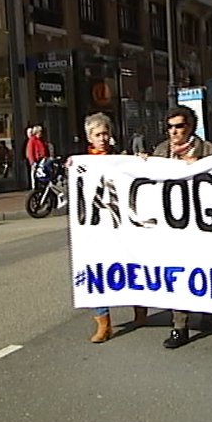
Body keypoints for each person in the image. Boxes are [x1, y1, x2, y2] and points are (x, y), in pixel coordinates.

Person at [78, 112, 149, 342]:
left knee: (131, 265)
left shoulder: (121, 159)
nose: (102, 138)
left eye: (105, 133)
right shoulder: (82, 163)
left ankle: (140, 310)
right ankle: (103, 323)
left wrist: (141, 161)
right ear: (89, 137)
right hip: (97, 227)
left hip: (121, 224)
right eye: (98, 134)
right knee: (97, 271)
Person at [150, 106, 212, 349]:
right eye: (170, 127)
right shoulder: (160, 152)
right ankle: (180, 327)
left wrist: (197, 165)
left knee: (205, 269)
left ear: (190, 126)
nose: (175, 131)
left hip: (201, 224)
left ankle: (209, 307)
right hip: (171, 225)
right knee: (177, 272)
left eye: (180, 126)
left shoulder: (208, 150)